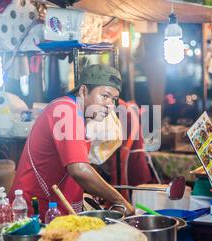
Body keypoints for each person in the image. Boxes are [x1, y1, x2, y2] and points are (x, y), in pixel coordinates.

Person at [9, 64, 135, 219]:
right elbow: (79, 169)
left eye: (114, 99)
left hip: (54, 210)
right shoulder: (66, 110)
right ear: (83, 91)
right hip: (32, 212)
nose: (110, 105)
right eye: (105, 96)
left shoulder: (78, 114)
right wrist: (120, 200)